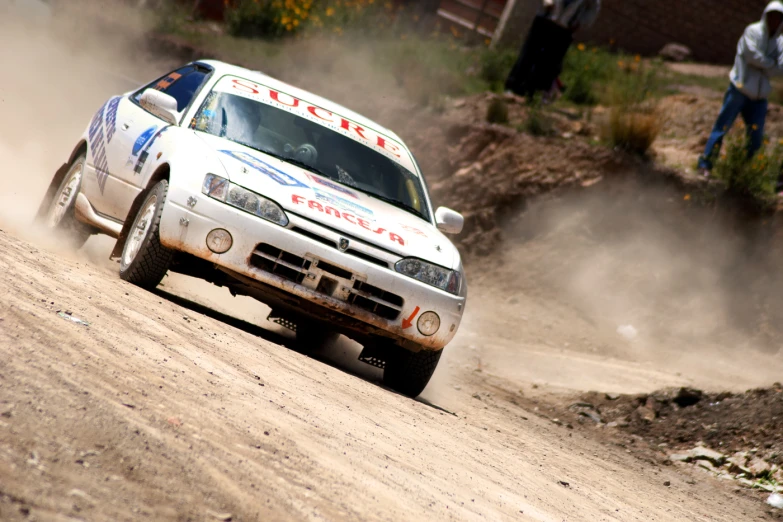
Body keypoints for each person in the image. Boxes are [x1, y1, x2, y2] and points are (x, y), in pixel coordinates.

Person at [698, 1, 783, 178]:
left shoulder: (780, 42)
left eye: (778, 17)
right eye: (772, 15)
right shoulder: (752, 31)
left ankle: (742, 173)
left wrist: (766, 64)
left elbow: (780, 68)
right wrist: (769, 64)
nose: (775, 20)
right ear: (766, 15)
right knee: (722, 127)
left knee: (755, 138)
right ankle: (705, 164)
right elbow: (752, 56)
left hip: (759, 98)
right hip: (739, 89)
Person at [504, 0, 601, 100]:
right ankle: (513, 87)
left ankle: (535, 94)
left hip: (565, 28)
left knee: (550, 63)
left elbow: (593, 7)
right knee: (529, 54)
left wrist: (580, 22)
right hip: (545, 18)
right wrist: (547, 2)